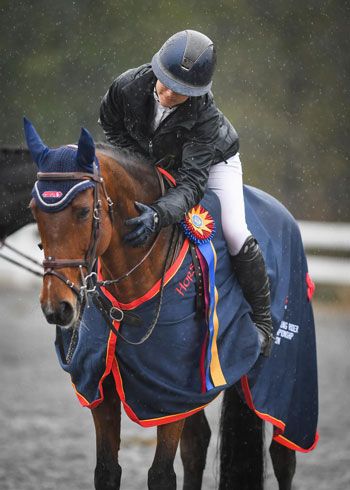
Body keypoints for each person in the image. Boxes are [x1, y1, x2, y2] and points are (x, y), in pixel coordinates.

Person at [99, 30, 273, 355]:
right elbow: (110, 123)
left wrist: (158, 214)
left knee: (235, 232)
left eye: (180, 92)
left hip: (214, 162)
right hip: (156, 156)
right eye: (165, 82)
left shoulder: (205, 118)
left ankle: (263, 323)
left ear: (195, 92)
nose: (167, 93)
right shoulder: (127, 85)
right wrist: (137, 159)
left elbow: (192, 184)